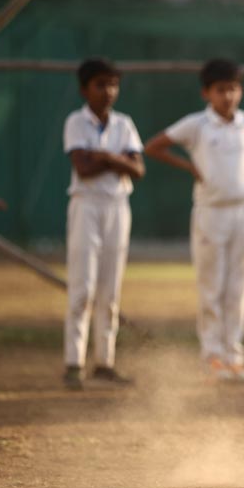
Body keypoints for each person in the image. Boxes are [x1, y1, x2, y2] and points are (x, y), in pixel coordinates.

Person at [144, 58, 244, 382]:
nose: (228, 96)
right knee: (212, 285)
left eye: (233, 89)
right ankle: (213, 356)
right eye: (220, 90)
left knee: (238, 285)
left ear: (240, 91)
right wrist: (191, 168)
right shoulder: (197, 125)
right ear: (207, 92)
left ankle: (234, 355)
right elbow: (154, 146)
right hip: (210, 212)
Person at [63, 58, 145, 391]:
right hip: (87, 205)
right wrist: (119, 161)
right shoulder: (76, 122)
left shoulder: (124, 124)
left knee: (110, 290)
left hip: (117, 206)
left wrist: (105, 157)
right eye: (101, 84)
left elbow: (138, 169)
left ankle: (105, 361)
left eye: (113, 84)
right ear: (85, 89)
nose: (108, 91)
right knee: (82, 286)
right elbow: (82, 168)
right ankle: (73, 362)